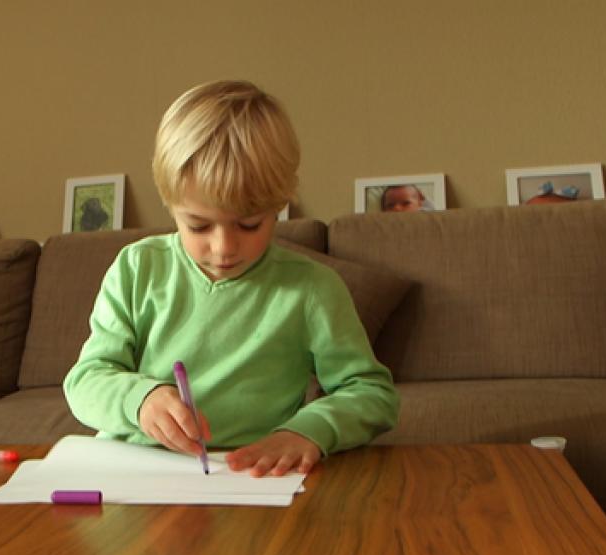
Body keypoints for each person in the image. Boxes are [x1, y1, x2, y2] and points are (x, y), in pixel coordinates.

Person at [63, 80, 399, 478]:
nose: (224, 248)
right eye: (199, 225)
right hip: (136, 476)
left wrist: (307, 432)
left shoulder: (311, 290)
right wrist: (141, 399)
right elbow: (85, 381)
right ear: (170, 206)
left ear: (280, 206)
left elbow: (372, 393)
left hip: (247, 480)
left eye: (249, 224)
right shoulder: (137, 268)